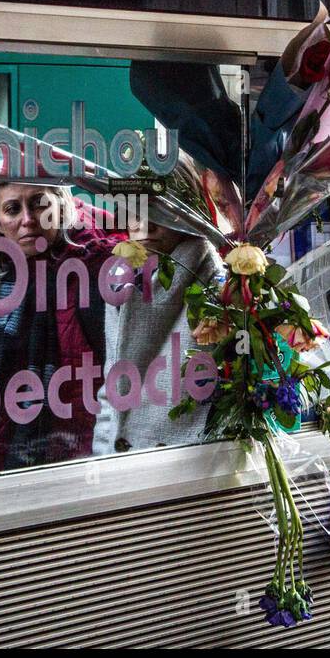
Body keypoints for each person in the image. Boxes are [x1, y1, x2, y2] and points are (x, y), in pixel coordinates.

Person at [0, 182, 122, 473]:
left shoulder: (98, 265)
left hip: (87, 455)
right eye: (12, 209)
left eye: (39, 203)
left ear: (61, 206)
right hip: (20, 451)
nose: (28, 219)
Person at [92, 157, 222, 454]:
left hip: (184, 462)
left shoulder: (216, 279)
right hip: (120, 464)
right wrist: (100, 455)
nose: (145, 223)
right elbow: (112, 381)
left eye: (159, 209)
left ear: (186, 212)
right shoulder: (120, 275)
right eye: (136, 208)